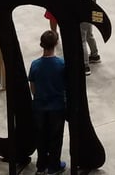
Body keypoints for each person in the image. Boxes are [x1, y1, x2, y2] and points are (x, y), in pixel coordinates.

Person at [28, 30, 67, 175]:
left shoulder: (35, 64)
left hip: (39, 107)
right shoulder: (61, 64)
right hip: (57, 107)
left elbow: (33, 87)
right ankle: (53, 166)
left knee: (41, 137)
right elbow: (66, 86)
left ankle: (41, 166)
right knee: (55, 138)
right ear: (56, 43)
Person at [77, 0, 101, 71]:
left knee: (81, 39)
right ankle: (94, 55)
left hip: (83, 17)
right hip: (90, 16)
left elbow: (84, 4)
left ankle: (85, 65)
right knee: (89, 35)